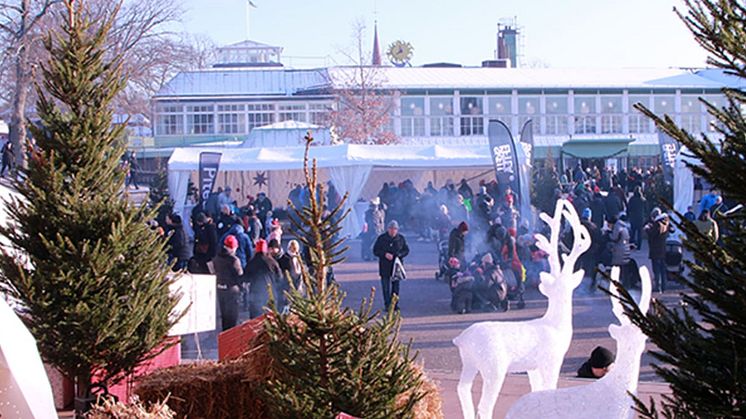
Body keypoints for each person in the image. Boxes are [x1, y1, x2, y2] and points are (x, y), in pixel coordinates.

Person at [373, 220, 410, 311]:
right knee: (385, 287)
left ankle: (394, 304)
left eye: (394, 229)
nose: (392, 231)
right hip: (385, 266)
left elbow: (406, 250)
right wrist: (384, 254)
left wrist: (399, 255)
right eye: (391, 229)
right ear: (387, 229)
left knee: (395, 287)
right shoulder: (381, 238)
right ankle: (387, 304)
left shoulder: (401, 239)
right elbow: (375, 250)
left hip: (396, 267)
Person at [246, 239, 283, 319]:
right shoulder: (272, 262)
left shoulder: (252, 262)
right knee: (270, 317)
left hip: (255, 294)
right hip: (270, 293)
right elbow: (280, 277)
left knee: (254, 319)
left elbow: (245, 278)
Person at [214, 235, 244, 331]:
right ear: (232, 248)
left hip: (220, 289)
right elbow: (240, 276)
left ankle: (224, 336)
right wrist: (242, 289)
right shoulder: (234, 260)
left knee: (224, 316)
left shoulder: (216, 257)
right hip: (232, 291)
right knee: (232, 318)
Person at [645, 208, 674, 293]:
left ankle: (657, 286)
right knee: (663, 269)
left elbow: (652, 234)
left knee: (656, 269)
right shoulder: (666, 223)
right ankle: (664, 286)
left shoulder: (657, 224)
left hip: (655, 249)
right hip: (663, 249)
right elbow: (672, 230)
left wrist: (647, 229)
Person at [580, 208, 602, 292]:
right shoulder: (593, 226)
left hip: (580, 250)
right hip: (592, 251)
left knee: (581, 267)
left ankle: (580, 286)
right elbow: (599, 239)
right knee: (592, 268)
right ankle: (591, 285)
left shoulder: (577, 226)